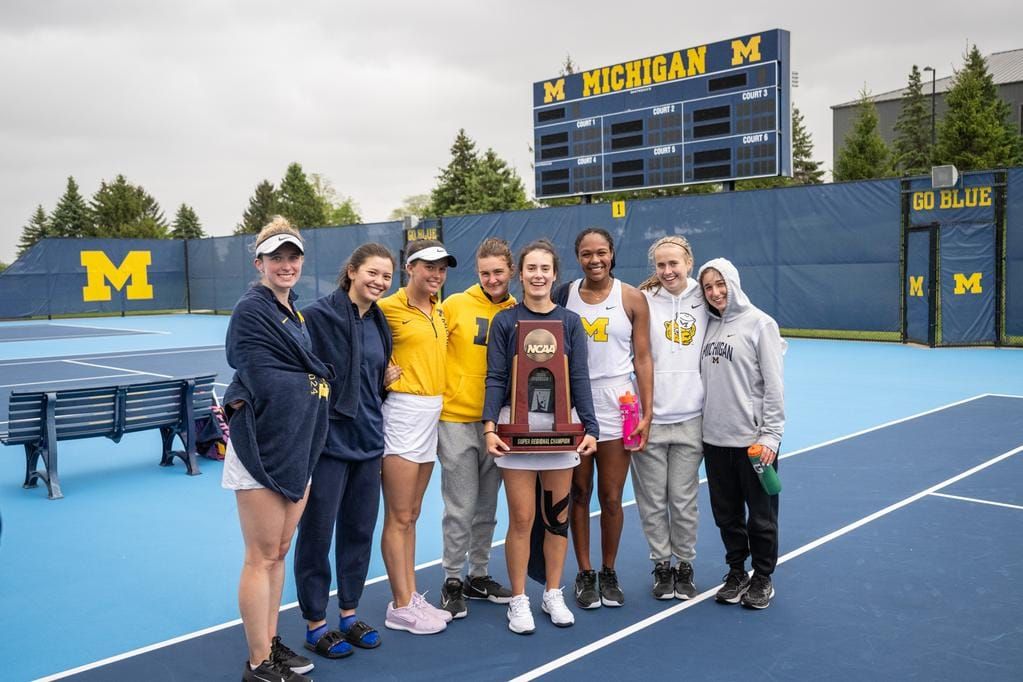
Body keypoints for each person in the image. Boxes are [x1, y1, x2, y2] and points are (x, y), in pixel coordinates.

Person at [222, 217, 332, 682]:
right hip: (263, 446)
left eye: (293, 257)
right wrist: (313, 378)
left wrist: (308, 381)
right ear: (259, 263)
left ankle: (268, 643)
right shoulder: (252, 311)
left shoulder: (294, 313)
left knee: (280, 551)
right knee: (261, 556)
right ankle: (257, 664)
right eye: (276, 258)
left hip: (296, 444)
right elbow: (261, 373)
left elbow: (297, 372)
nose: (286, 265)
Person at [484, 239, 599, 635]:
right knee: (521, 518)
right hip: (515, 433)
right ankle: (518, 599)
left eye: (544, 269)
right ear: (521, 274)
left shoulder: (570, 322)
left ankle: (552, 592)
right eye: (531, 268)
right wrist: (489, 426)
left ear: (554, 274)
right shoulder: (505, 321)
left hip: (560, 433)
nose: (538, 275)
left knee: (556, 519)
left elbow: (579, 376)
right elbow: (496, 377)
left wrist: (591, 427)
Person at [295, 244, 399, 659]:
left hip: (369, 441)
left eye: (386, 276)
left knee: (359, 532)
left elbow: (372, 378)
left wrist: (384, 380)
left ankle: (349, 615)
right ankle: (315, 624)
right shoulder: (317, 316)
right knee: (317, 535)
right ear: (352, 271)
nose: (379, 282)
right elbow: (301, 372)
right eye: (372, 273)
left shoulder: (379, 320)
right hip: (328, 445)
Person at [556, 228, 652, 609]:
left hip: (618, 403)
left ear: (612, 254)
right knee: (578, 493)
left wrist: (648, 411)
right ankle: (585, 572)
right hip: (575, 403)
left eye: (601, 252)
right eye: (586, 253)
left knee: (611, 497)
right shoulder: (563, 295)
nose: (594, 260)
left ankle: (608, 571)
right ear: (577, 257)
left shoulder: (631, 298)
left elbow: (643, 358)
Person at [377, 239, 457, 634]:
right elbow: (360, 349)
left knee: (411, 514)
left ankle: (410, 596)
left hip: (432, 413)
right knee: (397, 515)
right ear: (409, 268)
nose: (436, 275)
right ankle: (400, 605)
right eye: (429, 267)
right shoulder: (386, 309)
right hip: (402, 414)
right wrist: (378, 375)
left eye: (441, 268)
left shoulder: (440, 310)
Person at [697, 257, 786, 610]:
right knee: (727, 515)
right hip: (714, 440)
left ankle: (762, 576)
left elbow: (774, 386)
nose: (715, 292)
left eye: (721, 284)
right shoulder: (707, 325)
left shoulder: (760, 324)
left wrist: (771, 436)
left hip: (753, 444)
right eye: (708, 287)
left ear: (733, 283)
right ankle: (736, 572)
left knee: (761, 517)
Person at [436, 238, 517, 619]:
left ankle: (478, 574)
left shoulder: (517, 311)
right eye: (485, 273)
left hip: (496, 423)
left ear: (510, 271)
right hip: (456, 419)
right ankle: (452, 578)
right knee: (460, 506)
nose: (492, 279)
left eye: (498, 272)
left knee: (487, 505)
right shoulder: (454, 305)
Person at [631, 236, 707, 600]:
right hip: (650, 420)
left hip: (692, 418)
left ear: (689, 262)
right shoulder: (644, 300)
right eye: (660, 265)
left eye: (674, 263)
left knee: (682, 499)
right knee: (652, 501)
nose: (667, 271)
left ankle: (685, 564)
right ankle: (662, 565)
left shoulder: (706, 296)